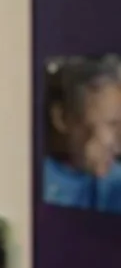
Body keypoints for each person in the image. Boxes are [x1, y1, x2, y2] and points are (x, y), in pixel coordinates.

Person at [42, 56, 121, 211]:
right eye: (112, 124)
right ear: (63, 118)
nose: (118, 144)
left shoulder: (114, 181)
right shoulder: (33, 184)